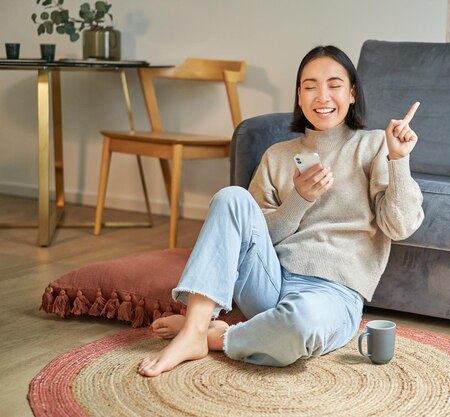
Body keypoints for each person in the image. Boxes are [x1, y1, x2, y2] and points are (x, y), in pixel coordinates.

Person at [138, 45, 424, 377]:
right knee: (232, 197)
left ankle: (218, 336)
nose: (322, 96)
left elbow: (400, 226)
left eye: (334, 84)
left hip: (331, 294)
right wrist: (299, 199)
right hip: (269, 279)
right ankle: (194, 329)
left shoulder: (375, 145)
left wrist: (398, 159)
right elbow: (252, 236)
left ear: (351, 94)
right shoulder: (278, 155)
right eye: (310, 86)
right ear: (299, 97)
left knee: (299, 325)